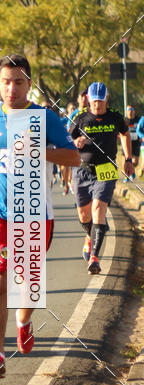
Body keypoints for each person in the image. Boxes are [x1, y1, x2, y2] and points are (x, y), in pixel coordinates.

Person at [0, 55, 80, 378]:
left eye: (18, 82)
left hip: (35, 212)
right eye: (6, 82)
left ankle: (23, 321)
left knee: (28, 282)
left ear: (29, 85)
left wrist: (39, 150)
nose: (11, 89)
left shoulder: (45, 117)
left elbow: (74, 157)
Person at [69, 82, 133, 274]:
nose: (97, 105)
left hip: (106, 169)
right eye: (94, 101)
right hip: (82, 170)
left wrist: (128, 158)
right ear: (88, 99)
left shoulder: (114, 116)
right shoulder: (80, 118)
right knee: (84, 214)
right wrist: (75, 142)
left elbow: (125, 134)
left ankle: (95, 258)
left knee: (99, 208)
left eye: (100, 101)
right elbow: (65, 141)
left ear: (106, 98)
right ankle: (90, 236)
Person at [124, 105, 140, 180]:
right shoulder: (124, 120)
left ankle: (132, 171)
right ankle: (127, 176)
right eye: (128, 110)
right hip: (127, 142)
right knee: (125, 160)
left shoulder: (138, 120)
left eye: (131, 110)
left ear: (134, 111)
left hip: (136, 143)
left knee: (135, 162)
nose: (130, 111)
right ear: (126, 112)